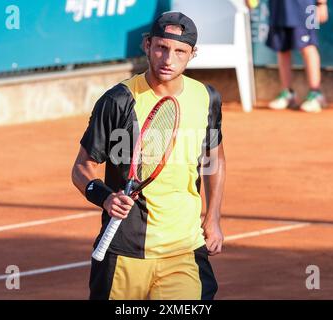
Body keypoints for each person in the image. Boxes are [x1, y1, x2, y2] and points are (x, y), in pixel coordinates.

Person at [71, 11, 226, 300]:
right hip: (125, 252)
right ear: (147, 45)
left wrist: (213, 216)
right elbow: (82, 167)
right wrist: (104, 196)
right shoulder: (117, 101)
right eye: (161, 48)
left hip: (183, 249)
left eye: (180, 51)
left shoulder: (207, 98)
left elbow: (213, 159)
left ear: (193, 54)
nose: (168, 59)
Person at [264, 0, 329, 113]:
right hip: (278, 8)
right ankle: (287, 94)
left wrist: (321, 4)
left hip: (306, 7)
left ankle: (316, 94)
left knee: (308, 47)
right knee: (282, 49)